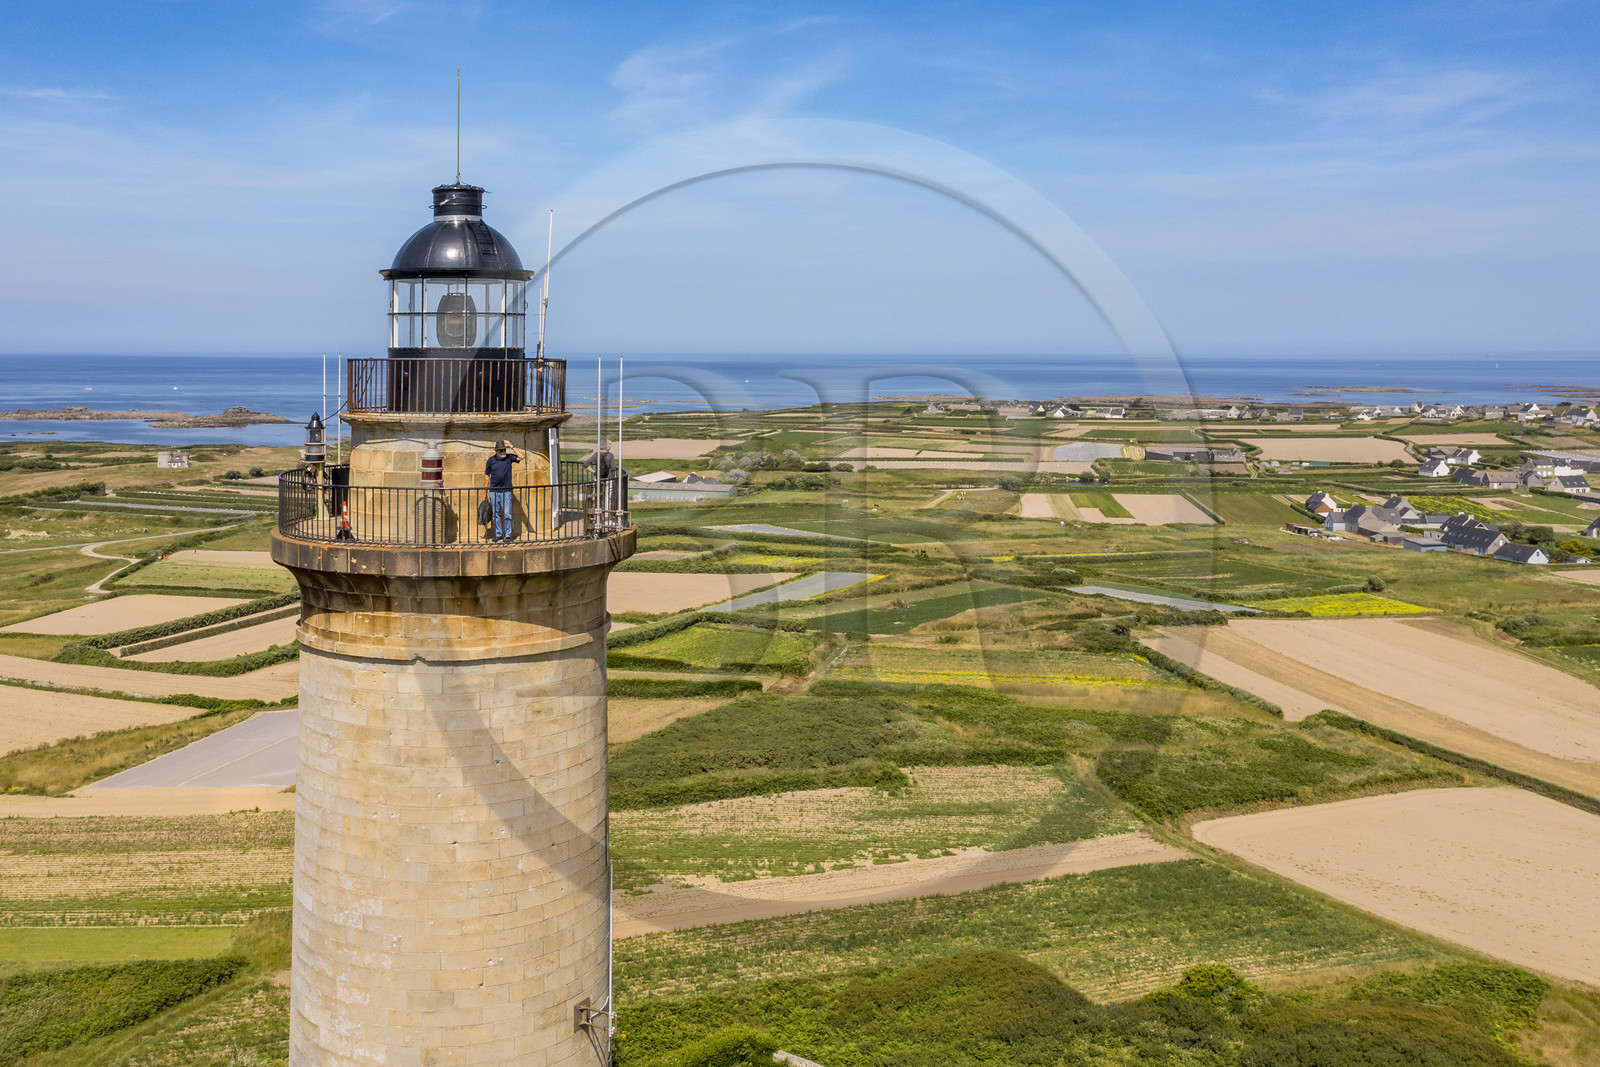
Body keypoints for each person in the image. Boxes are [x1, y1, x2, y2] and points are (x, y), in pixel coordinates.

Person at [483, 439, 521, 541]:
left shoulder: (509, 458)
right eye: (501, 450)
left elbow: (522, 457)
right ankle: (498, 534)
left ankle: (508, 535)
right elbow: (487, 476)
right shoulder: (491, 460)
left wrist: (510, 445)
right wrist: (486, 492)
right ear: (496, 451)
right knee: (495, 514)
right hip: (494, 491)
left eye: (504, 450)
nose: (503, 452)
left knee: (507, 513)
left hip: (506, 491)